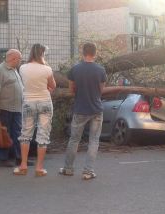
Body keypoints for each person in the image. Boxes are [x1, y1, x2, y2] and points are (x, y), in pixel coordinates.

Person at [59, 42, 107, 180]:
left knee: (74, 140)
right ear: (95, 53)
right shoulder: (100, 70)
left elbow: (71, 90)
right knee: (93, 141)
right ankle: (88, 171)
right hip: (96, 109)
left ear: (83, 52)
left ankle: (68, 169)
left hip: (80, 108)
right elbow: (101, 90)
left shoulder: (75, 69)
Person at [13, 44, 56, 176]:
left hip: (28, 102)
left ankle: (23, 166)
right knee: (43, 135)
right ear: (42, 54)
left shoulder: (22, 68)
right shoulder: (47, 69)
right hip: (45, 102)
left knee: (25, 134)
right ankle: (39, 168)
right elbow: (52, 86)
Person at [0, 49, 30, 167]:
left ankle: (20, 158)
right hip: (4, 108)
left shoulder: (14, 70)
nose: (20, 61)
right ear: (13, 58)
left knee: (18, 133)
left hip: (17, 108)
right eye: (19, 58)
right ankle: (3, 159)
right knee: (3, 132)